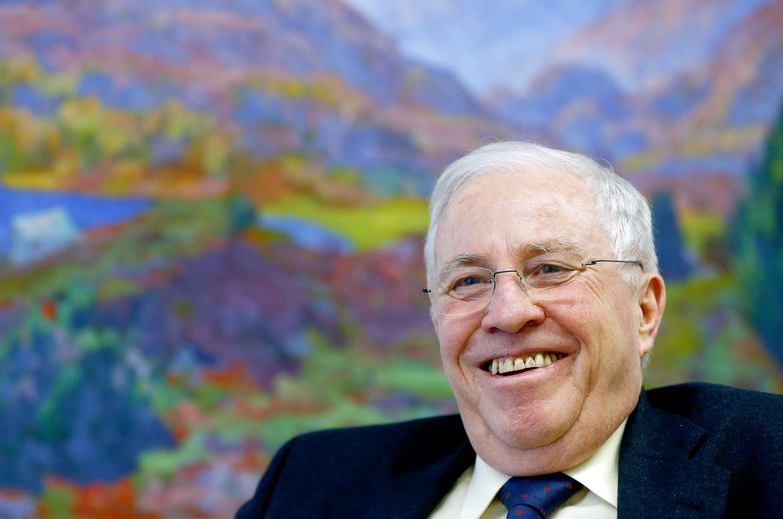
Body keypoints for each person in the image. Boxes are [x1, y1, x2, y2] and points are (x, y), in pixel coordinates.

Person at [236, 141, 783, 518]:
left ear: (643, 310)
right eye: (469, 281)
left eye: (549, 269)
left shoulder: (769, 462)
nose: (506, 312)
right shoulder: (309, 483)